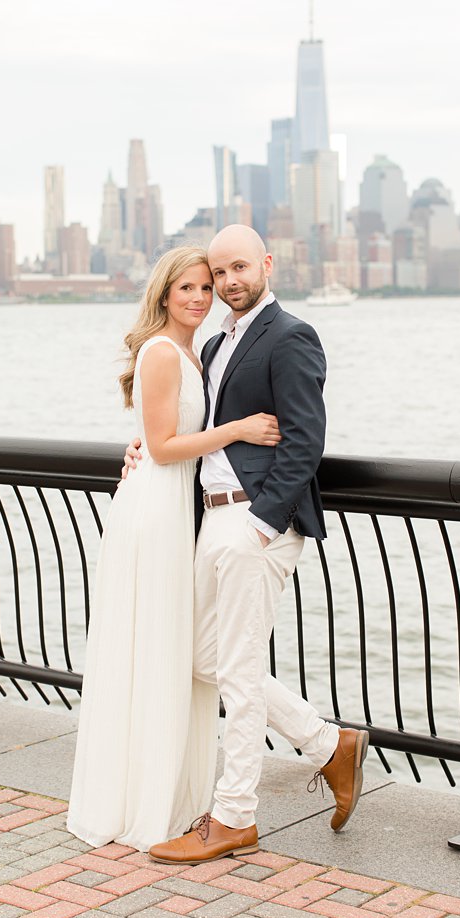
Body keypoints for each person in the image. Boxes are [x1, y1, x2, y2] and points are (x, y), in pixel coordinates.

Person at [123, 225, 368, 866]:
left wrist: (262, 524)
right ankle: (327, 745)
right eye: (215, 274)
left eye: (237, 269)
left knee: (233, 667)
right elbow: (191, 428)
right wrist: (143, 450)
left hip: (251, 526)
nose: (227, 283)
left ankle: (234, 816)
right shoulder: (214, 344)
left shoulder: (290, 337)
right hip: (211, 521)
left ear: (265, 263)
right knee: (203, 658)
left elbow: (304, 443)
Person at [65, 246, 282, 851]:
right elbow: (161, 446)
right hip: (156, 510)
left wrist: (147, 444)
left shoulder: (202, 350)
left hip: (178, 506)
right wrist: (239, 429)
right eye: (186, 287)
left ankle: (169, 793)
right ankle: (147, 802)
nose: (198, 298)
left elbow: (162, 437)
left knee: (177, 653)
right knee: (163, 649)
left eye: (206, 288)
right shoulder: (163, 351)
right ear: (164, 293)